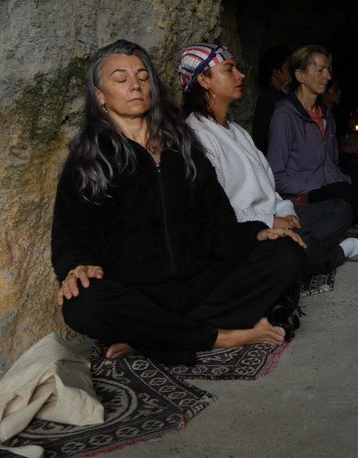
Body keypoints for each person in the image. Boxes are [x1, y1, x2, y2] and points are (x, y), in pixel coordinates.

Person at [52, 39, 308, 362]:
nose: (135, 85)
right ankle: (218, 337)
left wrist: (257, 233)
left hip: (198, 284)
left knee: (286, 253)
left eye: (143, 77)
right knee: (82, 304)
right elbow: (69, 238)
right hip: (137, 294)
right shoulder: (88, 162)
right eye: (121, 79)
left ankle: (153, 338)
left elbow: (220, 225)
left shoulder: (182, 146)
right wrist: (75, 267)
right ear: (100, 96)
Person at [178, 42, 358, 274]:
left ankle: (301, 248)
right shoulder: (196, 136)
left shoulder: (237, 131)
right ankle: (327, 255)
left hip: (275, 216)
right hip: (246, 229)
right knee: (281, 253)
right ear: (204, 80)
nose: (240, 74)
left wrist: (286, 213)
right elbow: (216, 213)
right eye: (229, 69)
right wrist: (270, 222)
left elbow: (269, 187)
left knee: (340, 209)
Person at [266, 45, 358, 224]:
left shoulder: (326, 113)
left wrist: (344, 180)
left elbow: (333, 164)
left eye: (328, 70)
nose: (328, 76)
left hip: (336, 187)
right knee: (341, 191)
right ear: (300, 75)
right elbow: (276, 176)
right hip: (306, 195)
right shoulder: (285, 114)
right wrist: (325, 186)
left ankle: (357, 205)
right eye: (320, 71)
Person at [252, 44, 292, 154]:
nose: (294, 73)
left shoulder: (269, 100)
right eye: (289, 68)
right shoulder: (276, 103)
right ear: (276, 72)